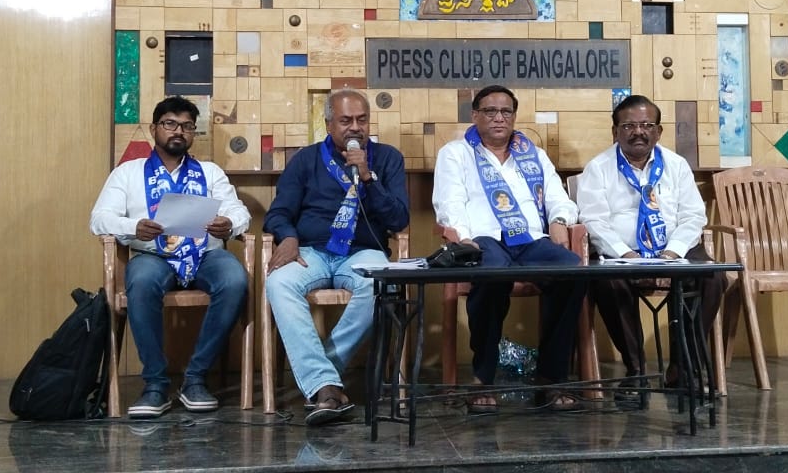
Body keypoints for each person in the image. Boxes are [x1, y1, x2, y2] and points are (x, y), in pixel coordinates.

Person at [90, 96, 251, 419]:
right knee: (141, 280)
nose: (178, 131)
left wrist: (229, 224)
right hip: (153, 254)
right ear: (154, 129)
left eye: (187, 126)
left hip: (204, 253)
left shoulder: (209, 172)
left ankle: (195, 378)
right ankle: (155, 384)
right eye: (170, 124)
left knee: (235, 279)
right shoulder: (128, 173)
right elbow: (99, 219)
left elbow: (239, 212)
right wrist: (133, 227)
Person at [432, 85, 585, 414]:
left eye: (506, 112)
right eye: (490, 111)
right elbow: (449, 201)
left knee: (572, 272)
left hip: (531, 240)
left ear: (514, 117)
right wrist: (463, 238)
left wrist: (559, 220)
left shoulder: (533, 154)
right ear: (475, 115)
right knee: (492, 275)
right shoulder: (456, 153)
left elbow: (558, 197)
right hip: (483, 239)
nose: (498, 118)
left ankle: (550, 377)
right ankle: (483, 378)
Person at [263, 89, 410, 426]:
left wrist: (368, 178)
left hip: (362, 252)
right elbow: (278, 212)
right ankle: (326, 384)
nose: (355, 127)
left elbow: (399, 219)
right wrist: (288, 236)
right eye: (346, 121)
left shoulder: (387, 158)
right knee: (279, 282)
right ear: (329, 124)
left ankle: (322, 380)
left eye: (362, 120)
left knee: (381, 283)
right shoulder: (306, 160)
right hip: (311, 252)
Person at [575, 94, 727, 401]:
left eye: (646, 125)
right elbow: (593, 221)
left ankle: (683, 368)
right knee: (606, 283)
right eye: (628, 126)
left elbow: (693, 216)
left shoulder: (676, 165)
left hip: (675, 249)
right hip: (622, 252)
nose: (638, 132)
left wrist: (672, 254)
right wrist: (627, 255)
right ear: (615, 131)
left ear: (658, 131)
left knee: (713, 278)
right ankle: (636, 370)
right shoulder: (598, 168)